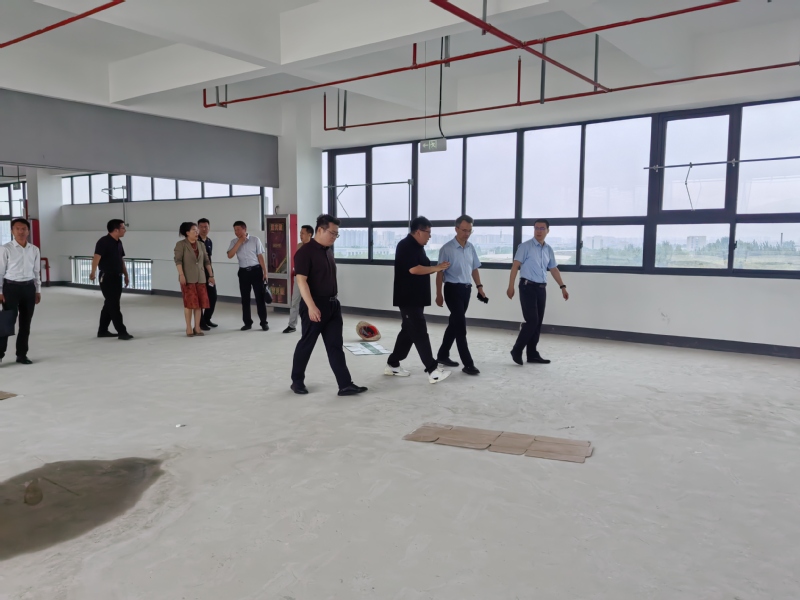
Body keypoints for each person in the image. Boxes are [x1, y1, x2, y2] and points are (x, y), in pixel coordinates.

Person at [290, 214, 367, 397]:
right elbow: (301, 281)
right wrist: (311, 306)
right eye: (332, 233)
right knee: (307, 344)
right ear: (320, 230)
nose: (334, 237)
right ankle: (297, 381)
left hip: (332, 305)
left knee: (335, 346)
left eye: (336, 234)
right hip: (314, 305)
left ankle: (345, 384)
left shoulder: (328, 251)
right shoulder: (305, 252)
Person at [385, 216, 452, 384]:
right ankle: (432, 370)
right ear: (418, 231)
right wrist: (436, 268)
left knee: (408, 332)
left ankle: (393, 363)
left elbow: (422, 267)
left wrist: (437, 268)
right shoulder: (405, 245)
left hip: (416, 298)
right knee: (420, 331)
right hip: (408, 298)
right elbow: (414, 269)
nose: (430, 236)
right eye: (428, 232)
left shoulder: (418, 247)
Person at [507, 219, 569, 365]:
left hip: (541, 288)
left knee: (538, 322)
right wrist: (511, 286)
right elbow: (515, 266)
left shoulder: (548, 249)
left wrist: (562, 286)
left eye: (542, 228)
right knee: (532, 321)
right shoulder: (525, 246)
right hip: (527, 287)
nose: (539, 231)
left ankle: (532, 354)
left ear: (548, 231)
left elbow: (553, 269)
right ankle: (517, 349)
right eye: (536, 228)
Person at [435, 215, 485, 376]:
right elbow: (439, 272)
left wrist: (479, 287)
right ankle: (468, 364)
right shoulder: (447, 249)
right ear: (456, 229)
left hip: (466, 290)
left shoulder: (471, 247)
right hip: (452, 290)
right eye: (464, 230)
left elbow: (474, 268)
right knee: (461, 326)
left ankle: (442, 355)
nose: (467, 234)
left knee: (454, 323)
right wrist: (438, 294)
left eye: (469, 231)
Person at [0, 218, 42, 366]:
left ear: (28, 231)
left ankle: (22, 354)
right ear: (12, 231)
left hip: (28, 288)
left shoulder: (34, 249)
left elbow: (36, 272)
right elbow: (0, 272)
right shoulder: (5, 249)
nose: (20, 231)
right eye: (17, 229)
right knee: (6, 322)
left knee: (25, 324)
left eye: (23, 229)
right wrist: (0, 291)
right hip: (10, 288)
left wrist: (38, 290)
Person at [90, 219, 133, 341]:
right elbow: (96, 257)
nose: (125, 230)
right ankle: (122, 332)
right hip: (107, 277)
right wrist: (93, 272)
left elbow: (121, 260)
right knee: (114, 305)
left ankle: (102, 330)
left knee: (109, 304)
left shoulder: (118, 242)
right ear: (116, 230)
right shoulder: (103, 242)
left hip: (117, 277)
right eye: (123, 228)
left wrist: (126, 274)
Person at [226, 220, 269, 331]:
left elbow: (260, 257)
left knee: (259, 298)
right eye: (235, 230)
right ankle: (247, 322)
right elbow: (230, 255)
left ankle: (264, 322)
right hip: (243, 272)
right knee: (245, 299)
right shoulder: (234, 242)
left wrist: (265, 272)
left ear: (244, 229)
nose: (236, 232)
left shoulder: (255, 240)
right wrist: (239, 242)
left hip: (256, 271)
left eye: (238, 229)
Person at [174, 222, 214, 337]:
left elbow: (206, 261)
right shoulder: (181, 245)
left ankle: (197, 327)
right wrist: (181, 274)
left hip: (201, 278)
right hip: (187, 278)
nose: (197, 232)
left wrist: (211, 276)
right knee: (189, 304)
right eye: (194, 230)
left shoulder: (201, 244)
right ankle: (188, 327)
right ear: (187, 232)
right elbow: (178, 261)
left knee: (199, 304)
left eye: (197, 230)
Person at [283, 224, 314, 334]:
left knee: (311, 302)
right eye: (300, 233)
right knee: (295, 301)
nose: (300, 235)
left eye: (303, 233)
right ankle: (292, 325)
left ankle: (313, 325)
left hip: (311, 279)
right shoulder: (299, 246)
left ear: (310, 234)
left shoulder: (315, 247)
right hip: (299, 278)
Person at [197, 218, 218, 331]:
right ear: (198, 228)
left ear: (209, 228)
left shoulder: (209, 241)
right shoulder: (195, 241)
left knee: (213, 296)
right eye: (201, 227)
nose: (204, 229)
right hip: (198, 273)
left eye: (206, 227)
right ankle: (200, 322)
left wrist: (211, 275)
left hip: (209, 273)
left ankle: (207, 318)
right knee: (200, 298)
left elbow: (209, 259)